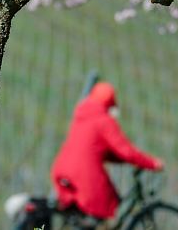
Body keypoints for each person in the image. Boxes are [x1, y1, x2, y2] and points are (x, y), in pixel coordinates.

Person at [49, 82, 163, 223]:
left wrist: (124, 159)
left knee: (81, 218)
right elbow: (126, 151)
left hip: (62, 170)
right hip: (84, 176)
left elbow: (97, 150)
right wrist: (151, 163)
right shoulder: (104, 120)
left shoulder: (81, 115)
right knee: (106, 204)